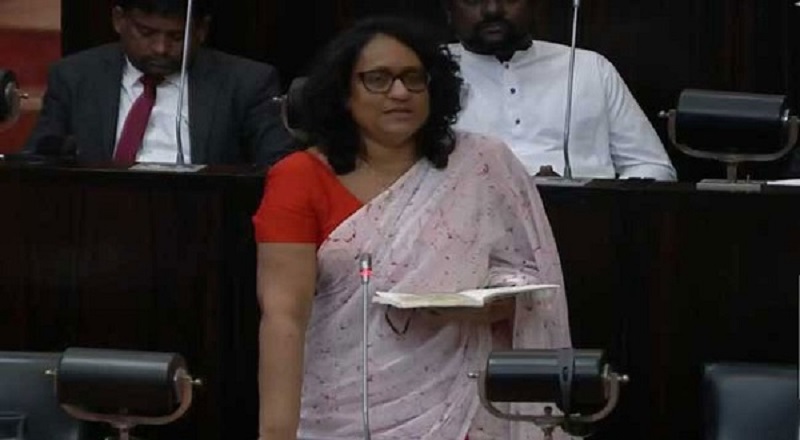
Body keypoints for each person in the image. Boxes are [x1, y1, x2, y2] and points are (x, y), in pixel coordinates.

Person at [253, 16, 571, 440]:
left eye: (414, 78)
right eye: (378, 79)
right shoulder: (300, 177)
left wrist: (485, 304)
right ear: (343, 93)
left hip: (466, 401)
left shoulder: (482, 163)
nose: (400, 92)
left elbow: (530, 276)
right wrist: (276, 432)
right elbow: (284, 316)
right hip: (342, 407)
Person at [24, 0, 294, 166]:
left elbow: (280, 166)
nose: (161, 48)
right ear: (119, 20)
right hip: (96, 223)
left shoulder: (247, 83)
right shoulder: (74, 76)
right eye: (146, 32)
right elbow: (36, 161)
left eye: (177, 37)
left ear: (201, 31)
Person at [444, 0, 677, 180]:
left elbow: (653, 167)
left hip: (583, 217)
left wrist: (589, 199)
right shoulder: (432, 71)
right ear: (449, 10)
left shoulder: (589, 67)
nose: (492, 9)